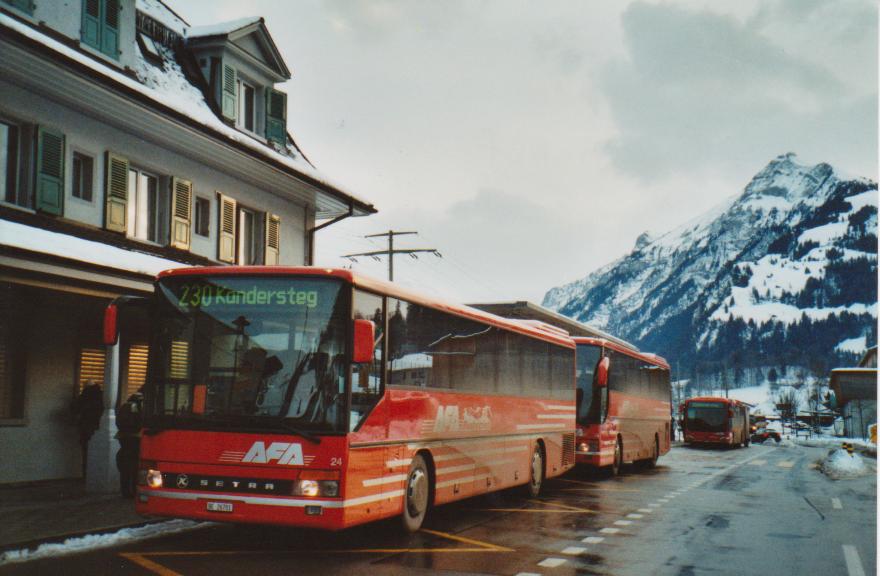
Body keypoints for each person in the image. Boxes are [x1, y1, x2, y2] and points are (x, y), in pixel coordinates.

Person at [116, 392, 143, 498]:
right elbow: (139, 421)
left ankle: (125, 491)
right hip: (135, 438)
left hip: (123, 438)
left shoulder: (124, 406)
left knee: (125, 468)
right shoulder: (136, 407)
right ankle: (133, 491)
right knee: (135, 466)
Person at [75, 380, 104, 478]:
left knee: (86, 452)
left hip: (87, 426)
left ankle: (86, 475)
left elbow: (74, 408)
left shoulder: (85, 395)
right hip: (100, 427)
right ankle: (97, 475)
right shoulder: (102, 396)